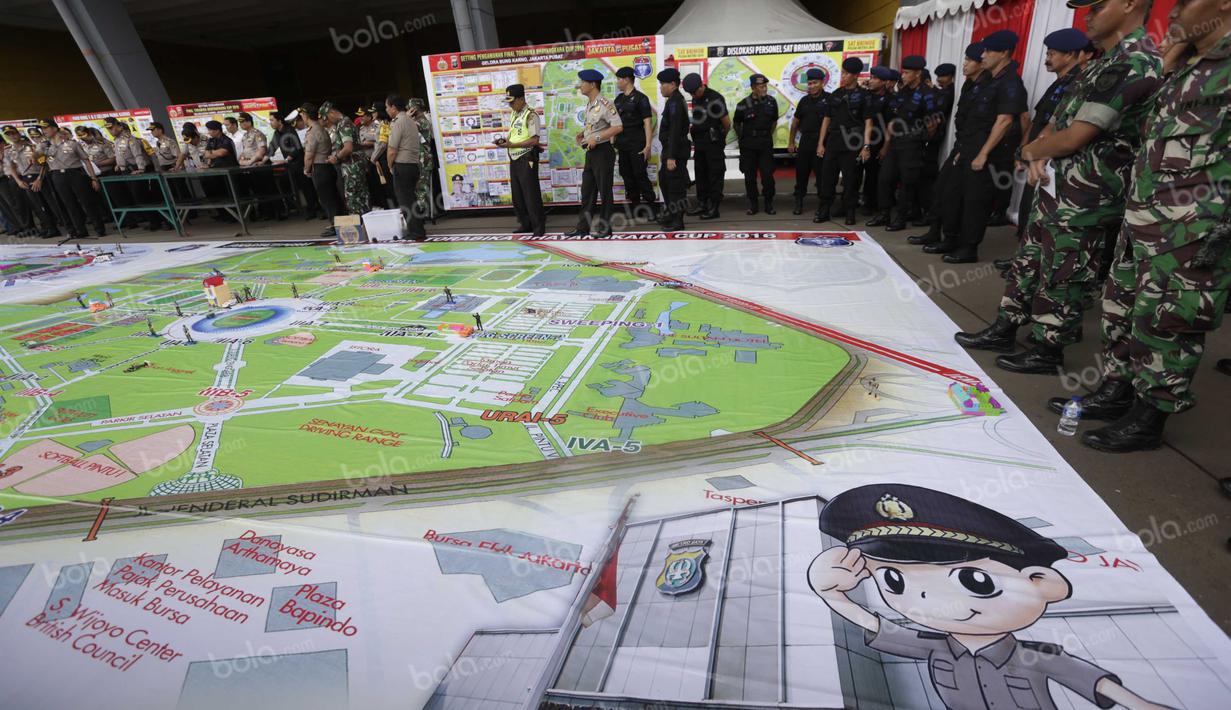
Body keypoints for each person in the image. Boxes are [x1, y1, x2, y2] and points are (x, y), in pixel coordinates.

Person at [1043, 0, 1231, 453]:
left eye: (1186, 1)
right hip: (1143, 217)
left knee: (1168, 320)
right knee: (1122, 307)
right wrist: (1178, 48)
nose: (1178, 8)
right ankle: (1119, 388)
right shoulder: (1187, 63)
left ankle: (1151, 415)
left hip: (1192, 227)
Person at [810, 483, 1173, 710]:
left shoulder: (1035, 656)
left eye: (976, 580)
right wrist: (832, 595)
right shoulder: (932, 647)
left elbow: (1092, 680)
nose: (925, 598)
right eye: (893, 579)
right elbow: (878, 626)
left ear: (1041, 582)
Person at [958, 4, 1161, 375]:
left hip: (1089, 192)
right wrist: (1039, 153)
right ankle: (1007, 327)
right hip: (1058, 183)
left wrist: (1031, 150)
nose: (1088, 14)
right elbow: (1058, 121)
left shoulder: (1135, 62)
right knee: (1030, 258)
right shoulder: (1101, 64)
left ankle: (1048, 348)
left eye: (1098, 5)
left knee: (1065, 270)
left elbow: (1078, 135)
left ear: (1131, 4)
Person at [939, 30, 1027, 263]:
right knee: (954, 196)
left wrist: (983, 154)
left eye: (989, 51)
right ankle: (951, 238)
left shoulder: (1010, 82)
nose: (984, 55)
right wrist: (961, 151)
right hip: (969, 149)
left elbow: (1005, 121)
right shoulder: (989, 81)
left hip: (988, 156)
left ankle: (969, 249)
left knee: (975, 203)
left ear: (1005, 53)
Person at [1006, 28, 1089, 260]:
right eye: (1047, 53)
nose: (1047, 59)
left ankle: (1031, 261)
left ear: (1071, 55)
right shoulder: (1057, 84)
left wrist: (1038, 155)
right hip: (1038, 156)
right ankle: (1022, 258)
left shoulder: (1077, 84)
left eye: (1053, 54)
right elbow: (1041, 123)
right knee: (1028, 210)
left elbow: (1065, 130)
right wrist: (1024, 152)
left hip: (1053, 163)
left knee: (1042, 217)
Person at [915, 43, 989, 252]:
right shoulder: (968, 85)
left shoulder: (992, 85)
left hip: (976, 149)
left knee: (967, 200)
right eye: (964, 59)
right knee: (942, 191)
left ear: (982, 63)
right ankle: (936, 232)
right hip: (961, 145)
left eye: (969, 60)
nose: (964, 64)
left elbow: (1000, 122)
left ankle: (960, 244)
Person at [868, 56, 937, 231]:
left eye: (907, 73)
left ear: (918, 73)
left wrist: (921, 140)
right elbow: (894, 120)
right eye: (903, 72)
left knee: (907, 182)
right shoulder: (902, 92)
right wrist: (887, 144)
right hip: (896, 142)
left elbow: (932, 124)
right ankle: (884, 214)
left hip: (913, 143)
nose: (903, 76)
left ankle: (900, 217)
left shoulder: (927, 94)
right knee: (885, 178)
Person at [566, 69, 622, 238]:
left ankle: (606, 228)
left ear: (592, 84)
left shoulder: (605, 103)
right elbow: (596, 125)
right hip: (592, 153)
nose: (580, 85)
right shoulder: (591, 103)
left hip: (603, 152)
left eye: (582, 82)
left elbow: (618, 127)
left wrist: (596, 138)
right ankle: (583, 227)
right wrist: (584, 133)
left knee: (605, 191)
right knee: (587, 191)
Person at [815, 58, 867, 225]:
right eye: (842, 72)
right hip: (834, 142)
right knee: (827, 178)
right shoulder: (837, 94)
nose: (843, 76)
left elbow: (869, 122)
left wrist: (866, 146)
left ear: (856, 75)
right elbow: (827, 119)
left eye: (846, 73)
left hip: (853, 143)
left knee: (851, 179)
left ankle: (850, 211)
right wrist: (821, 143)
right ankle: (824, 210)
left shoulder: (864, 96)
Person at [41, 118, 105, 238]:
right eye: (42, 129)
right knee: (69, 204)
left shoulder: (72, 143)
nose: (44, 131)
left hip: (75, 174)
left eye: (46, 128)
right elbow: (36, 156)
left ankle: (99, 228)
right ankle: (80, 230)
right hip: (57, 175)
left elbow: (86, 161)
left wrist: (93, 178)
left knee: (86, 202)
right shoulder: (46, 147)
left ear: (55, 128)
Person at [496, 83, 545, 237]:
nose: (510, 105)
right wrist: (504, 141)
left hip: (527, 157)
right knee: (518, 195)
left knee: (531, 194)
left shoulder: (531, 115)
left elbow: (534, 140)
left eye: (512, 101)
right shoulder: (515, 114)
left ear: (522, 99)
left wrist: (512, 144)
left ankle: (538, 228)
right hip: (515, 157)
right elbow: (516, 134)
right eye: (508, 102)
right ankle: (525, 224)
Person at [683, 72, 729, 220]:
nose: (693, 95)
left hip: (713, 143)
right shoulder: (696, 99)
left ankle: (714, 207)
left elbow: (727, 123)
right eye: (691, 93)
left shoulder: (715, 98)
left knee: (715, 175)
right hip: (700, 143)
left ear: (702, 85)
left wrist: (720, 139)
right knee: (700, 174)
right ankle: (702, 203)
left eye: (695, 91)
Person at [613, 65, 657, 221]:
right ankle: (636, 208)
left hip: (637, 144)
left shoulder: (641, 98)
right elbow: (614, 122)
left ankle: (652, 208)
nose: (617, 82)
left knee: (640, 175)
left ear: (626, 80)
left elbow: (647, 123)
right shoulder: (618, 99)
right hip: (623, 145)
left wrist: (648, 145)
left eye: (619, 79)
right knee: (627, 175)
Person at [734, 73, 779, 215]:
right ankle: (753, 204)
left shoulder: (772, 102)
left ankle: (768, 203)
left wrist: (764, 135)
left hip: (765, 144)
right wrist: (744, 137)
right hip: (749, 145)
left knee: (767, 176)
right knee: (750, 177)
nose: (764, 89)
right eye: (761, 87)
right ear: (753, 88)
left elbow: (773, 122)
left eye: (765, 86)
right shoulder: (743, 104)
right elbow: (736, 123)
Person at [917, 62, 956, 227]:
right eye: (938, 76)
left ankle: (928, 211)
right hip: (929, 137)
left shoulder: (946, 93)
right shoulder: (940, 92)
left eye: (943, 76)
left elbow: (936, 117)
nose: (940, 79)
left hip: (933, 139)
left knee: (928, 175)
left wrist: (927, 137)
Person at [3, 125, 59, 237]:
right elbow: (11, 167)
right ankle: (47, 227)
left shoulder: (33, 147)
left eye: (13, 133)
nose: (12, 136)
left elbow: (44, 164)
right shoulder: (8, 150)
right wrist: (18, 181)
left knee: (49, 203)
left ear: (18, 133)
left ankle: (56, 227)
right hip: (24, 178)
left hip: (39, 177)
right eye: (9, 135)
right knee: (37, 205)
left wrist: (39, 179)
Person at [385, 94, 427, 240]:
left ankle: (416, 232)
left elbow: (392, 149)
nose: (386, 110)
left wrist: (390, 165)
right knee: (411, 198)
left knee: (405, 201)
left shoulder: (398, 122)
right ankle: (418, 228)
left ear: (393, 107)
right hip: (413, 165)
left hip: (402, 165)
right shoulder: (410, 120)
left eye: (387, 107)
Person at [789, 67, 829, 215]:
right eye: (809, 83)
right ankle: (798, 202)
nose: (811, 86)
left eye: (814, 83)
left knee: (822, 176)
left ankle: (822, 206)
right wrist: (791, 142)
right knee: (801, 174)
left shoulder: (829, 99)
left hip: (823, 143)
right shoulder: (804, 101)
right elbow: (795, 123)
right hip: (806, 141)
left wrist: (823, 143)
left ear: (822, 83)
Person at [656, 67, 690, 232]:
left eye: (663, 84)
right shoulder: (673, 100)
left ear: (672, 84)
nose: (661, 87)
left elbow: (675, 130)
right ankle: (671, 214)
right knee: (665, 181)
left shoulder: (675, 101)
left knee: (675, 187)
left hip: (674, 151)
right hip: (671, 149)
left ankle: (678, 221)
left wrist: (671, 156)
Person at [322, 102, 369, 219]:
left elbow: (348, 148)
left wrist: (336, 157)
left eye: (327, 118)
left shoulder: (343, 124)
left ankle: (359, 228)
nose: (328, 121)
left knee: (354, 199)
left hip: (352, 167)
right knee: (362, 197)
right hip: (355, 165)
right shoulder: (345, 122)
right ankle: (367, 225)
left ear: (331, 112)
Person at [270, 110, 320, 220]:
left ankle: (314, 210)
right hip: (289, 166)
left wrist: (287, 159)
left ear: (279, 121)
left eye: (272, 120)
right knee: (285, 184)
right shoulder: (276, 133)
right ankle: (294, 208)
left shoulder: (289, 131)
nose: (270, 123)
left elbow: (297, 148)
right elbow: (272, 147)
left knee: (306, 187)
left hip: (298, 163)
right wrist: (267, 158)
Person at [859, 67, 895, 217]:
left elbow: (890, 126)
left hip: (878, 141)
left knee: (874, 175)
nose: (871, 81)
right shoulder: (865, 95)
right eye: (871, 77)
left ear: (884, 82)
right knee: (855, 173)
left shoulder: (889, 100)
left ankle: (872, 203)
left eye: (875, 79)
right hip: (858, 139)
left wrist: (885, 147)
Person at [357, 107, 389, 209]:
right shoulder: (361, 129)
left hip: (376, 159)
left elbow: (381, 141)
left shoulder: (377, 126)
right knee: (371, 185)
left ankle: (386, 205)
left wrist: (368, 143)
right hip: (366, 160)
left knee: (381, 184)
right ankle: (377, 206)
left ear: (369, 116)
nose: (360, 118)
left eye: (362, 116)